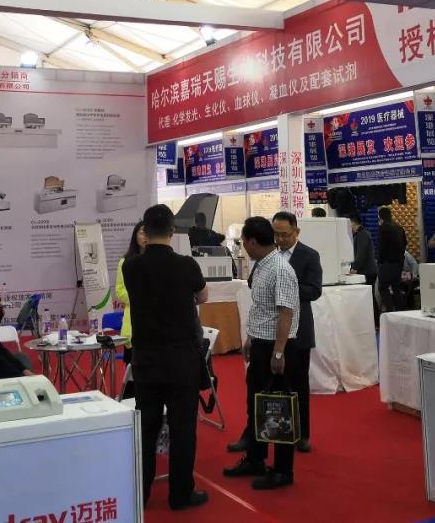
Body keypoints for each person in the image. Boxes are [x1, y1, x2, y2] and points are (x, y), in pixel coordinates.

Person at [122, 205, 209, 511]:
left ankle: (141, 493)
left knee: (146, 428)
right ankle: (181, 494)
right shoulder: (186, 265)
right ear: (173, 231)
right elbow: (203, 296)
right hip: (181, 358)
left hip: (146, 359)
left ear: (145, 231)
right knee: (183, 428)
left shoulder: (130, 267)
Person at [230, 212, 320, 453]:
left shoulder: (306, 257)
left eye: (284, 234)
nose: (280, 239)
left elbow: (314, 290)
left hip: (295, 332)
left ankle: (299, 434)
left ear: (296, 232)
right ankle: (255, 437)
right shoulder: (266, 259)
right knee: (260, 390)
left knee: (295, 386)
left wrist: (285, 291)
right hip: (268, 331)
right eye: (276, 234)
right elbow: (253, 285)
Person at [224, 216, 300, 490]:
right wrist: (251, 338)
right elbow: (261, 308)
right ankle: (255, 458)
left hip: (275, 346)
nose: (243, 246)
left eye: (244, 241)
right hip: (261, 343)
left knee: (277, 407)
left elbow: (285, 313)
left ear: (253, 242)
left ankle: (282, 470)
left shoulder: (280, 269)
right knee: (256, 402)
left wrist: (278, 352)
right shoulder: (262, 266)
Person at [113, 221, 147, 397]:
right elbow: (120, 290)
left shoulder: (156, 260)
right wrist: (140, 299)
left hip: (154, 327)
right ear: (135, 235)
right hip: (133, 323)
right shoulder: (125, 261)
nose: (145, 236)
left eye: (148, 232)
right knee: (132, 373)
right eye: (141, 232)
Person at [376, 206, 408, 312]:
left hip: (386, 264)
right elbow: (405, 243)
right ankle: (400, 311)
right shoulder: (399, 227)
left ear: (380, 216)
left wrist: (379, 261)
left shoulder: (384, 228)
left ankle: (390, 310)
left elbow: (381, 248)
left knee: (382, 288)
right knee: (396, 288)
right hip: (398, 263)